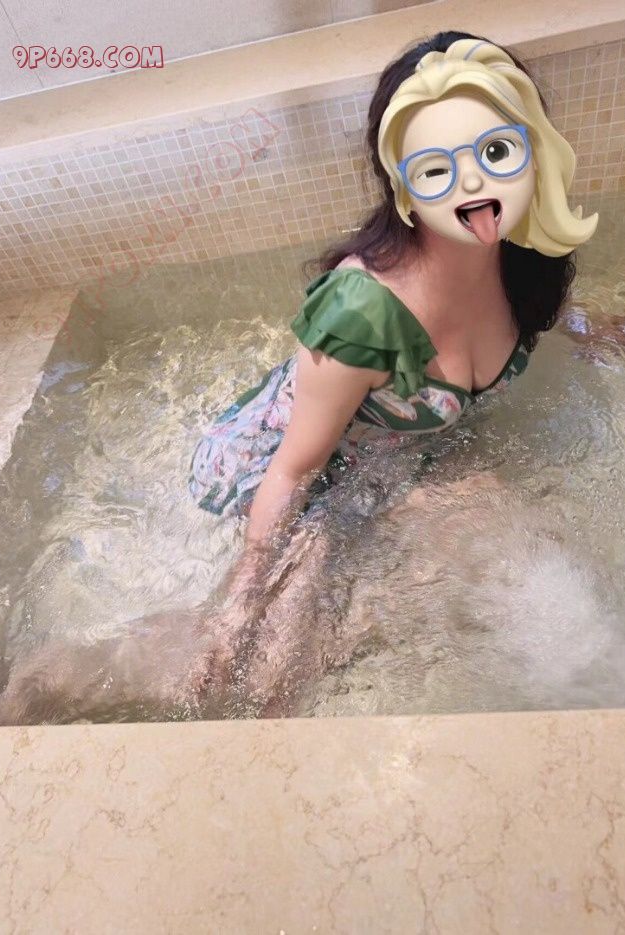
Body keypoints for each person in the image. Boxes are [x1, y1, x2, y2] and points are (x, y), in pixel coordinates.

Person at [189, 30, 599, 597]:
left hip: (391, 473)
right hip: (285, 478)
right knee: (287, 642)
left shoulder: (525, 258)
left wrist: (590, 329)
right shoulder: (359, 310)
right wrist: (244, 597)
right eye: (436, 166)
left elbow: (543, 313)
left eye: (495, 152)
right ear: (402, 182)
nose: (474, 181)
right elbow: (292, 471)